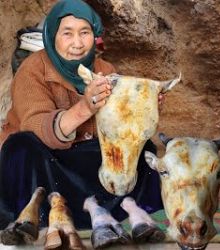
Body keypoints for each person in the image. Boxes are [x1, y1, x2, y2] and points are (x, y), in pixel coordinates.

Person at [0, 0, 163, 229]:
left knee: (146, 151)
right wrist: (85, 108)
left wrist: (145, 106)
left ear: (93, 35)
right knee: (21, 146)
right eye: (67, 33)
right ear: (52, 36)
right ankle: (42, 212)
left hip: (83, 160)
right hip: (47, 161)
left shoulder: (105, 70)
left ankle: (107, 210)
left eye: (84, 32)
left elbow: (120, 127)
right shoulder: (32, 70)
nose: (77, 43)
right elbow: (35, 125)